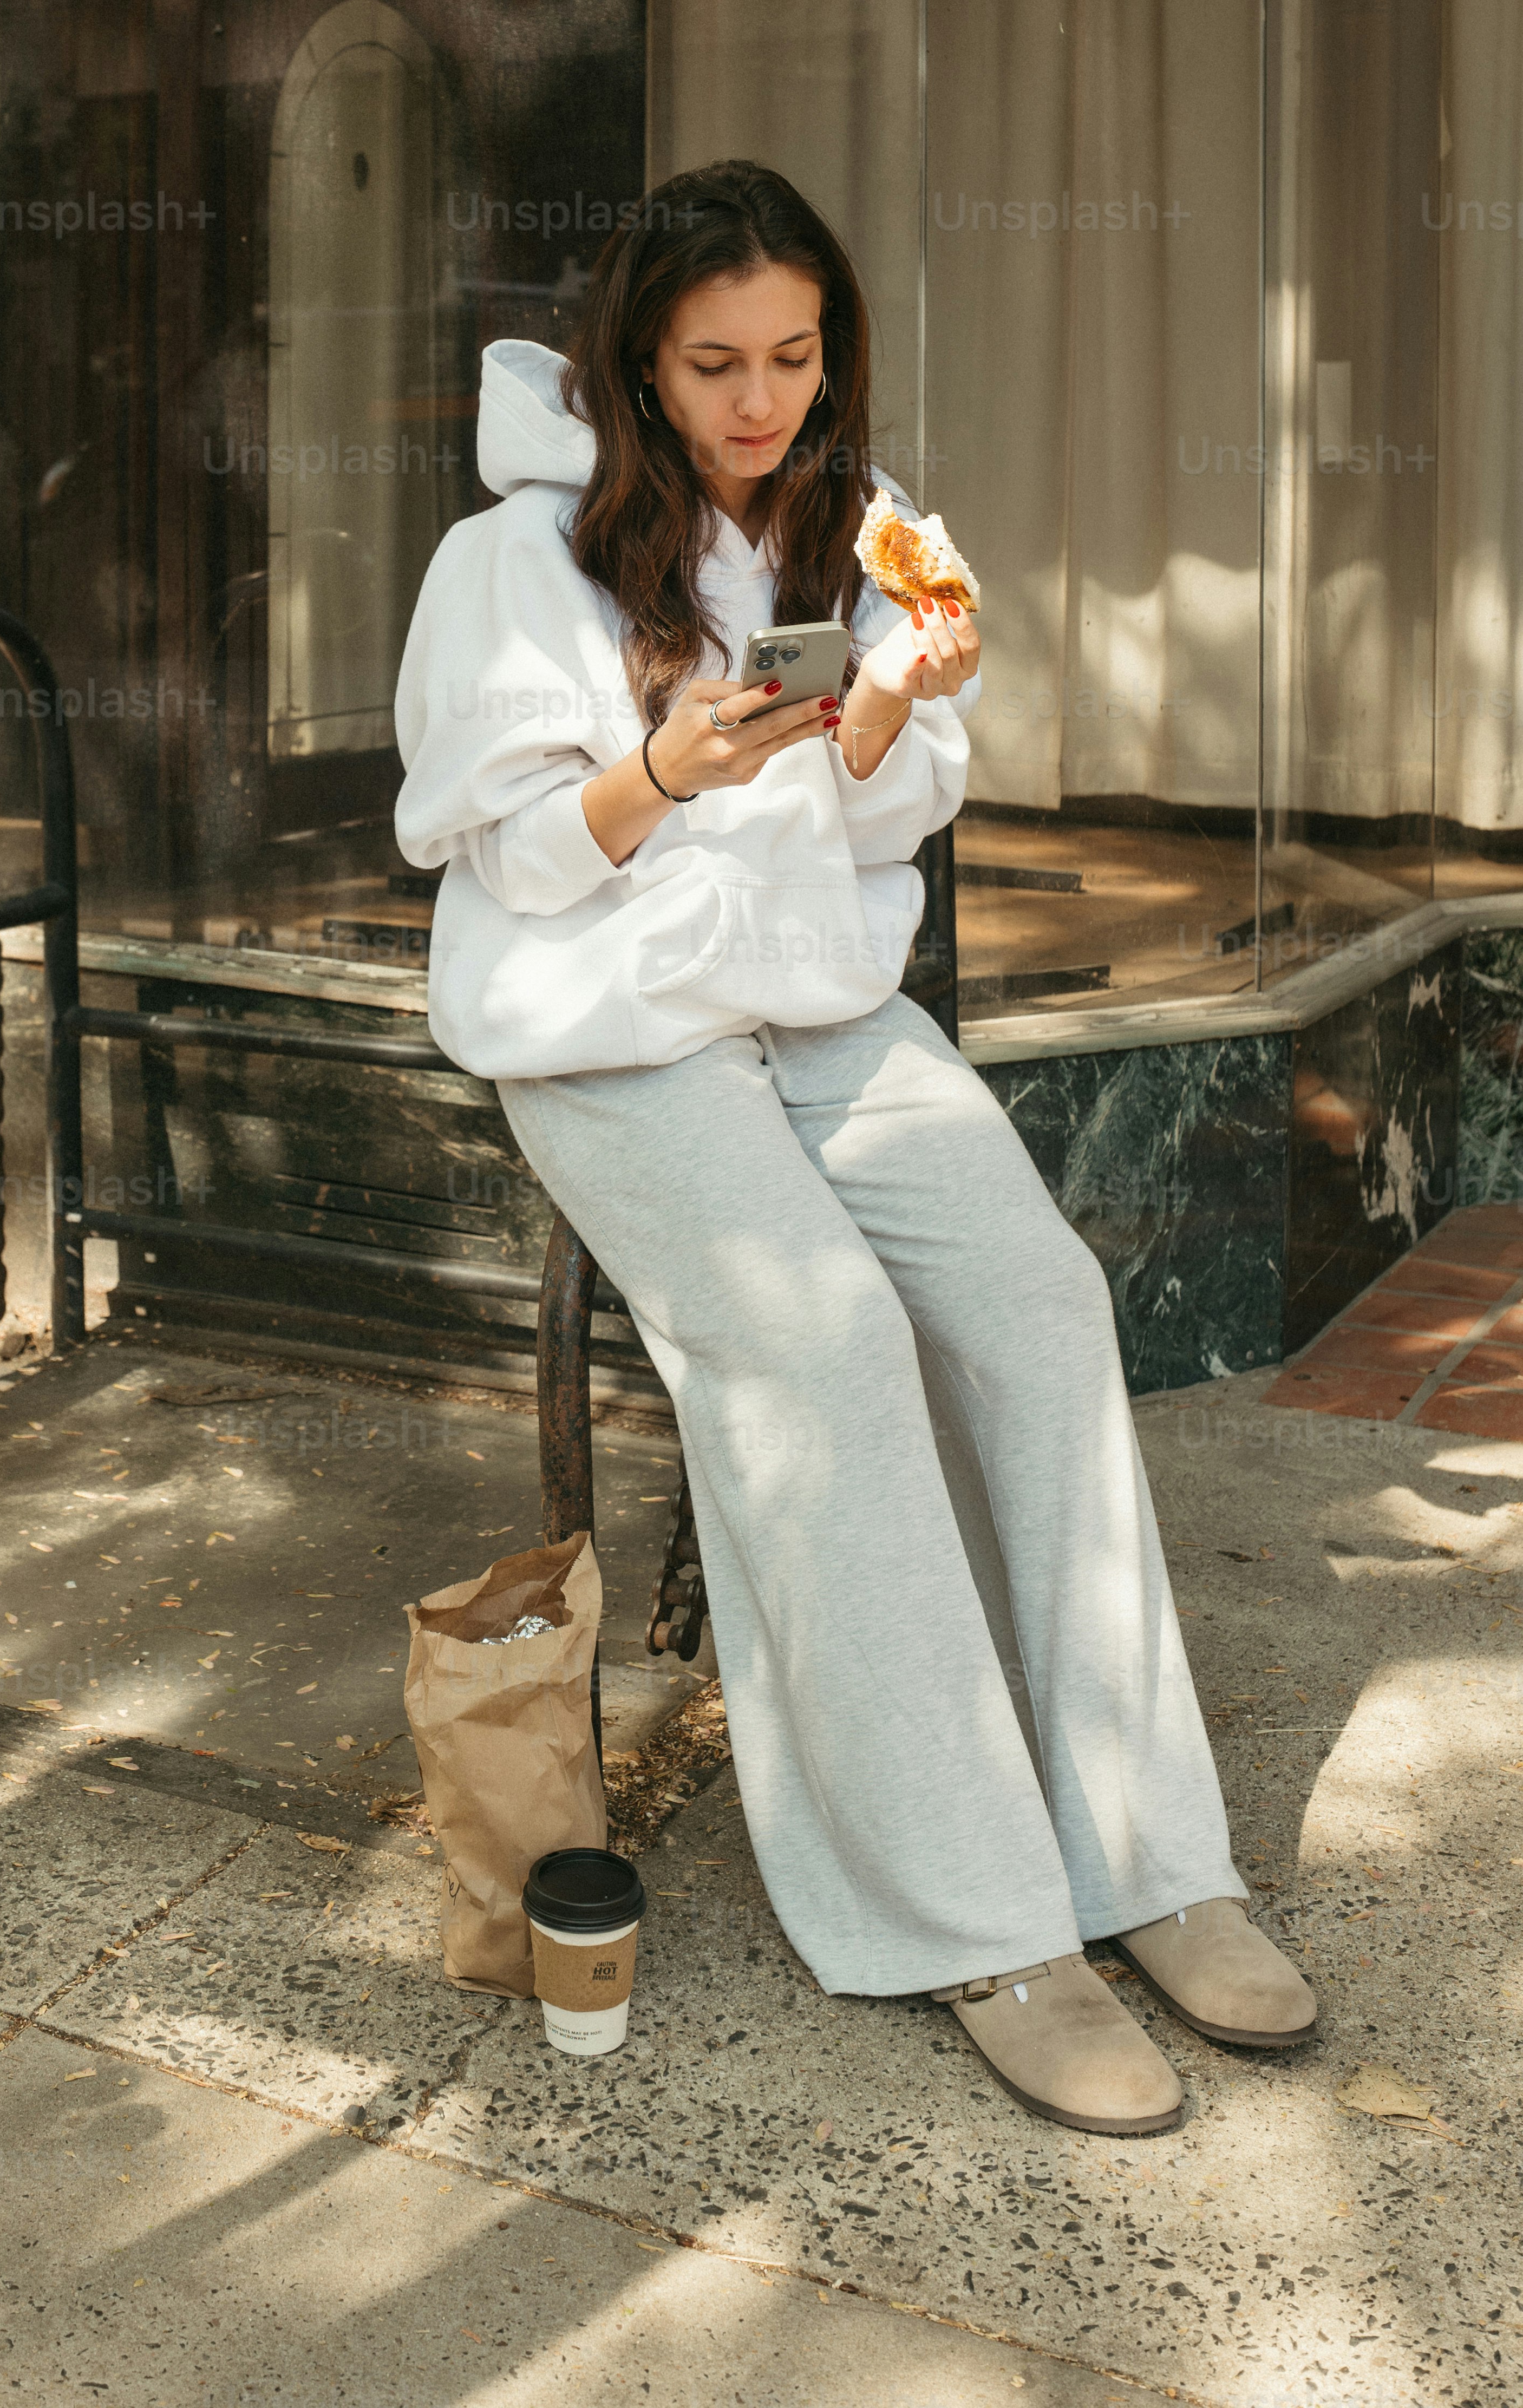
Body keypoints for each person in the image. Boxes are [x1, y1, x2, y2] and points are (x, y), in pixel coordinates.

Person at [393, 160, 1315, 2136]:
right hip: (614, 1037)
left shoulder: (860, 526)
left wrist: (889, 709)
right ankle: (972, 1916)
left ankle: (1148, 1855)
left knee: (1042, 1306)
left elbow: (886, 825)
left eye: (795, 357)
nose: (761, 401)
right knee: (824, 1355)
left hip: (822, 1014)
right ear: (635, 364)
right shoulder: (513, 559)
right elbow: (504, 860)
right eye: (714, 363)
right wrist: (660, 772)